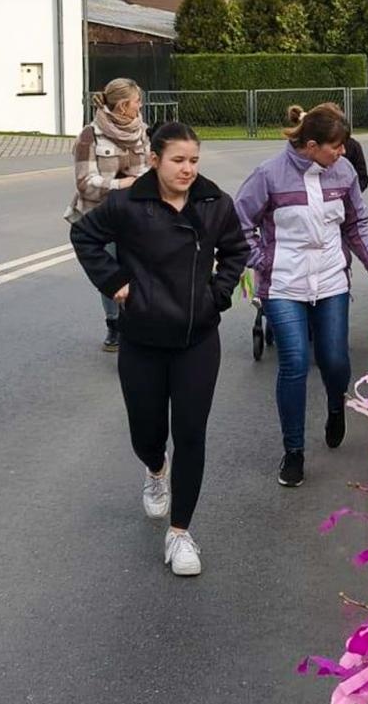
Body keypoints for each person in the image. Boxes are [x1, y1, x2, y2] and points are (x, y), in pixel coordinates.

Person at [70, 122, 249, 577]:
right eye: (178, 160)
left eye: (193, 160)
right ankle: (154, 470)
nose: (187, 169)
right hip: (143, 339)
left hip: (197, 338)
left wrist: (217, 295)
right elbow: (84, 236)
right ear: (155, 160)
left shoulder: (214, 204)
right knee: (146, 432)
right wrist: (115, 283)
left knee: (190, 434)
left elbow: (236, 251)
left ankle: (181, 533)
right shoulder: (128, 204)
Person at [236, 102, 368, 489]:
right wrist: (265, 260)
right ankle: (294, 453)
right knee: (293, 362)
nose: (342, 154)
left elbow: (357, 224)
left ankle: (336, 402)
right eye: (335, 147)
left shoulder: (343, 173)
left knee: (335, 359)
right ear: (311, 145)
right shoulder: (269, 175)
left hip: (330, 281)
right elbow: (237, 226)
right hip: (284, 285)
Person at [66, 78, 150, 352]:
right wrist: (120, 184)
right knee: (113, 272)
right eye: (137, 101)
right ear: (124, 105)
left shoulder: (143, 132)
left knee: (138, 269)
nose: (141, 105)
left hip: (137, 214)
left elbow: (150, 168)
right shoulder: (89, 136)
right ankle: (114, 322)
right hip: (102, 217)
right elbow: (85, 183)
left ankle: (135, 322)